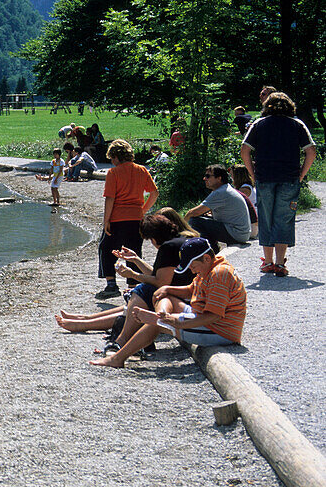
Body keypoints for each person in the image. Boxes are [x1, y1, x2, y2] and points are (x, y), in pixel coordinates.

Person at [90, 237, 246, 368]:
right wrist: (166, 289)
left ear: (206, 258)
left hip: (220, 331)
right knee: (163, 299)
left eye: (193, 266)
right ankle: (159, 315)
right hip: (204, 318)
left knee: (158, 322)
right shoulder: (210, 267)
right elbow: (191, 290)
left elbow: (213, 316)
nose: (192, 271)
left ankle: (117, 358)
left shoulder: (219, 274)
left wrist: (170, 321)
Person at [56, 214, 195, 352]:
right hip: (186, 295)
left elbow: (160, 282)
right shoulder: (181, 241)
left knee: (142, 291)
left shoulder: (169, 247)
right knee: (137, 297)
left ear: (154, 237)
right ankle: (84, 320)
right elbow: (159, 276)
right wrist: (135, 259)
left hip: (181, 300)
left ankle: (110, 336)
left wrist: (132, 275)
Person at [241, 91, 316, 276]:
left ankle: (267, 262)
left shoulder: (258, 124)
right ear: (290, 106)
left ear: (267, 106)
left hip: (265, 178)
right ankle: (280, 264)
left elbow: (245, 149)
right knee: (284, 218)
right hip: (289, 178)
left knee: (266, 217)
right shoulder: (297, 124)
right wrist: (302, 174)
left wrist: (252, 172)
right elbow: (311, 150)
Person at [96, 139, 158, 300]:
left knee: (105, 248)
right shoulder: (141, 170)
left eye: (111, 158)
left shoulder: (113, 173)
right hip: (136, 218)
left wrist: (106, 221)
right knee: (133, 252)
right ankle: (132, 286)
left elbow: (110, 198)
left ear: (116, 157)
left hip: (117, 217)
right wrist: (143, 209)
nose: (111, 161)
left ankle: (111, 284)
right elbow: (154, 193)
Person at [183, 165, 252, 246]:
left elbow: (192, 213)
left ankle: (204, 248)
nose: (204, 179)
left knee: (194, 221)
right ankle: (211, 247)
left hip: (237, 234)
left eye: (208, 176)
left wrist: (181, 228)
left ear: (219, 178)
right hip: (241, 233)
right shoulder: (225, 188)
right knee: (202, 220)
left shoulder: (220, 192)